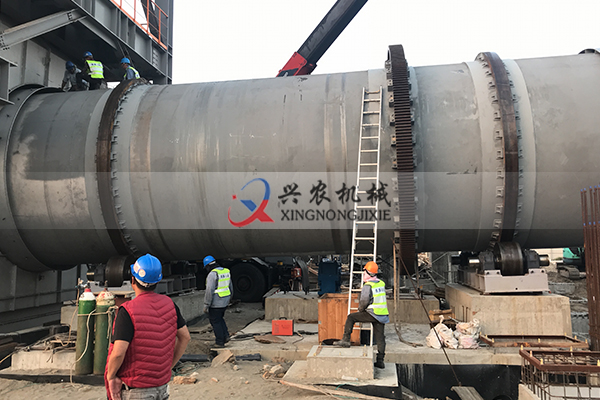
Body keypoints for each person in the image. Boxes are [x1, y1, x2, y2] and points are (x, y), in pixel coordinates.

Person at [105, 254, 191, 400]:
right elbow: (185, 337)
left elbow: (118, 353)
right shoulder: (170, 304)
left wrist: (111, 376)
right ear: (157, 281)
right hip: (162, 387)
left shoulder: (128, 311)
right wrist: (168, 367)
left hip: (136, 390)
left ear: (133, 280)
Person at [333, 261, 389, 369]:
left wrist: (361, 309)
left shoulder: (368, 286)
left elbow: (364, 301)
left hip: (372, 313)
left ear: (368, 272)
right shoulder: (381, 283)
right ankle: (380, 361)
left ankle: (346, 340)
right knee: (380, 338)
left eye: (364, 272)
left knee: (351, 317)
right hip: (382, 315)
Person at [203, 255, 233, 348]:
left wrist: (206, 304)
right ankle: (226, 336)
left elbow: (209, 290)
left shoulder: (212, 274)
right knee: (220, 319)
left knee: (215, 321)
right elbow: (230, 287)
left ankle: (219, 342)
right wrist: (229, 298)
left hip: (216, 302)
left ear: (207, 266)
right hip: (225, 301)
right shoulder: (226, 271)